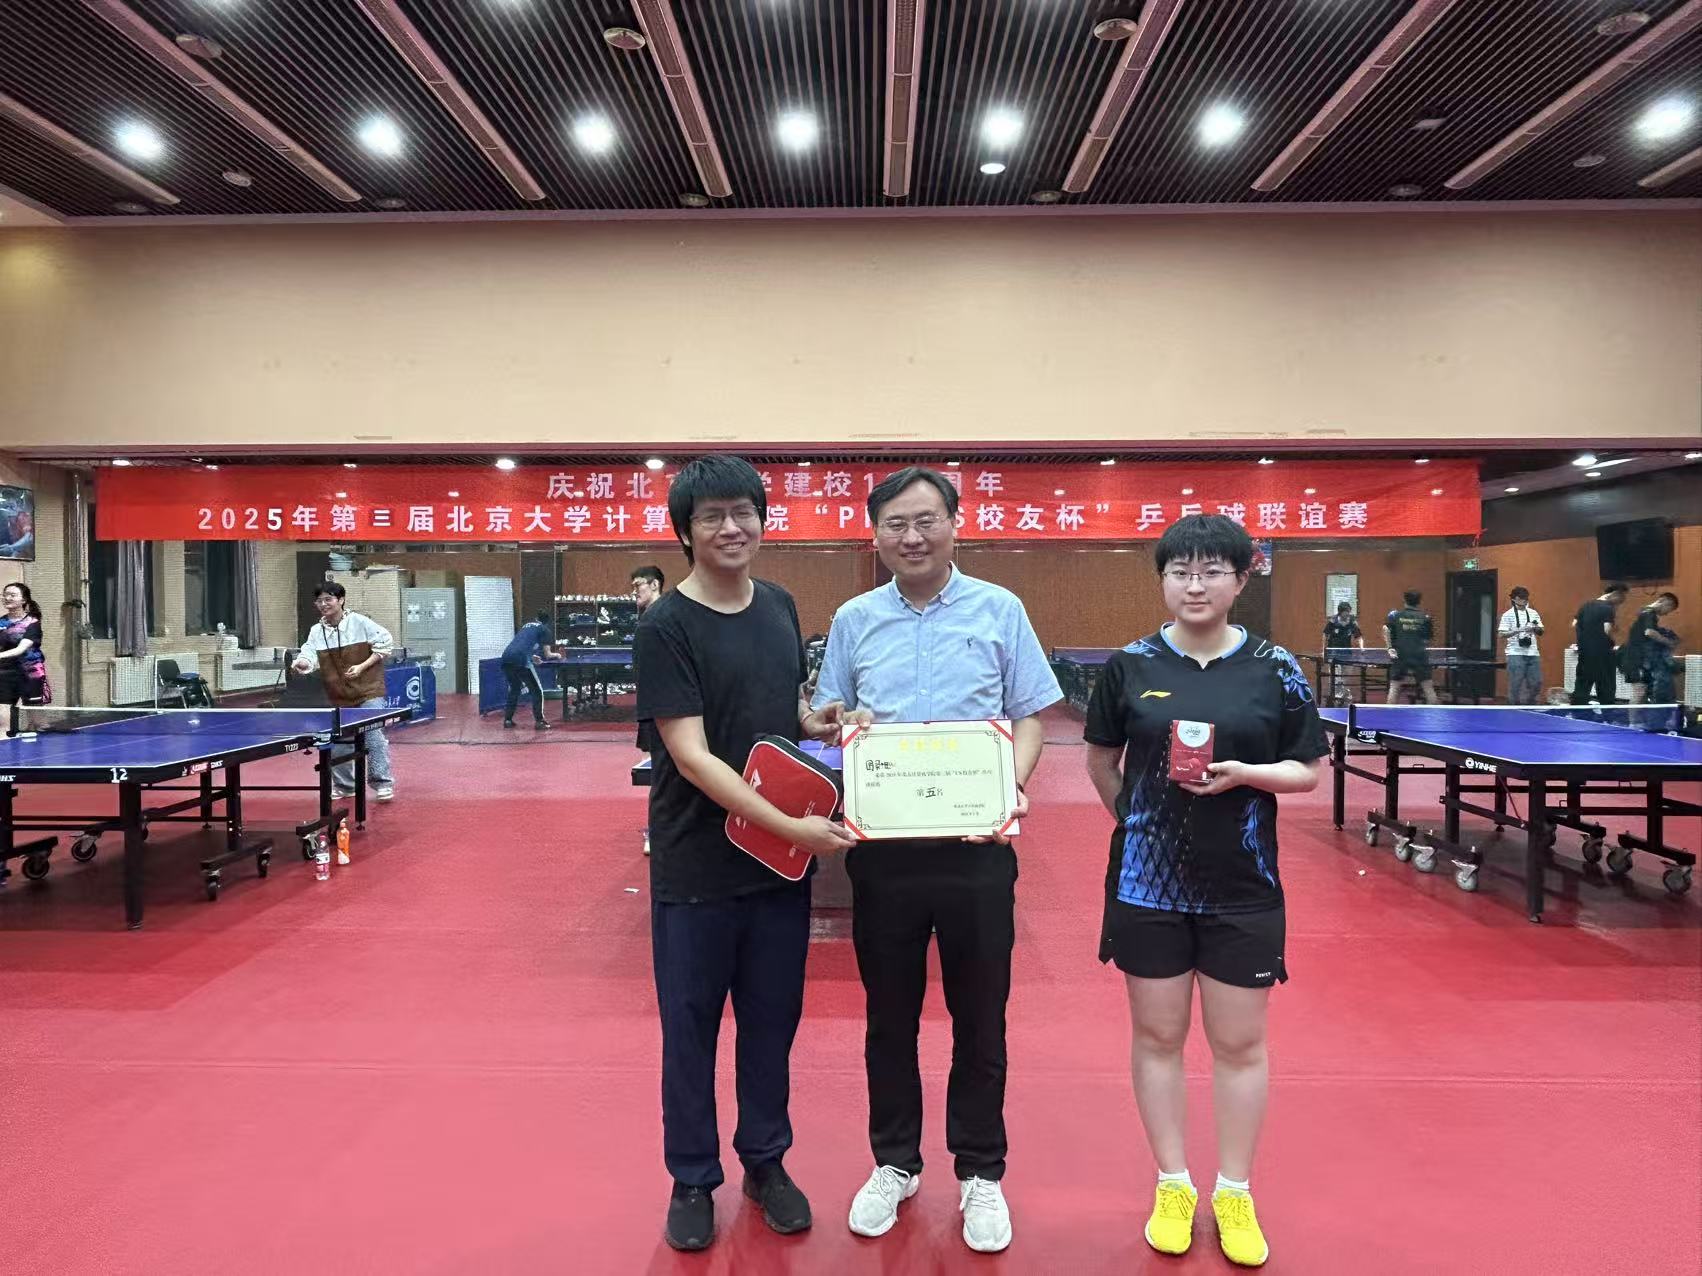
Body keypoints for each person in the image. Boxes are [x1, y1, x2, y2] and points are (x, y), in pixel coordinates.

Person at [803, 466, 1063, 1255]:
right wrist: (830, 718)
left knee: (981, 1017)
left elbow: (1029, 716)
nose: (911, 537)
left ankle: (981, 1171)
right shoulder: (855, 618)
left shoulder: (999, 609)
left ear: (955, 523)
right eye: (895, 524)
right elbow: (824, 715)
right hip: (884, 853)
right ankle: (895, 1162)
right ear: (875, 534)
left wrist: (1010, 789)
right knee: (889, 1018)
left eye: (925, 521)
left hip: (977, 850)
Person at [1083, 514, 1325, 1268]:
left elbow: (1308, 771)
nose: (1195, 584)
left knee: (1240, 1044)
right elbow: (1101, 760)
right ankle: (1172, 1184)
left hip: (1244, 886)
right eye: (1180, 571)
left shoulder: (1276, 668)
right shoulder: (1129, 665)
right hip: (1147, 886)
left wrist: (1248, 775)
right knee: (1157, 1038)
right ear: (1163, 579)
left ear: (1241, 578)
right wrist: (1138, 822)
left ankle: (1235, 1191)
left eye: (1212, 570)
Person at [635, 455, 855, 1252]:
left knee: (771, 1023)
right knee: (690, 1030)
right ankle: (693, 1177)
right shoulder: (666, 625)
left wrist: (815, 721)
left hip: (774, 872)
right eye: (712, 516)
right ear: (685, 532)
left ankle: (766, 1161)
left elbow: (776, 712)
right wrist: (791, 827)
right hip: (696, 866)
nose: (732, 528)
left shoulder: (780, 606)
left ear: (763, 520)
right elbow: (693, 755)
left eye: (744, 512)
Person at [290, 581, 396, 802]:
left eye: (328, 599)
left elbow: (385, 642)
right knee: (338, 741)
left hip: (368, 690)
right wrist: (302, 662)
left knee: (372, 734)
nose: (323, 604)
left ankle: (382, 783)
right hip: (339, 695)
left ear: (341, 600)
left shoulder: (359, 622)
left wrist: (362, 667)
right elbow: (309, 653)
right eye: (319, 601)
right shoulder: (317, 631)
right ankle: (346, 786)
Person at [631, 565, 666, 854]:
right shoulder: (646, 617)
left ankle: (658, 832)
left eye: (638, 585)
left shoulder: (663, 616)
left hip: (665, 709)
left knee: (663, 773)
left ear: (655, 585)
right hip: (651, 707)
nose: (634, 591)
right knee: (659, 772)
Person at [500, 610, 560, 730]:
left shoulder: (526, 626)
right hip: (520, 660)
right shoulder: (544, 629)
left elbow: (521, 645)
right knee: (537, 691)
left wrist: (532, 657)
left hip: (506, 657)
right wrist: (558, 655)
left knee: (514, 689)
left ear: (536, 619)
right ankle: (540, 721)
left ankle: (507, 720)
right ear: (547, 622)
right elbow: (548, 655)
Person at [1570, 583, 1627, 705]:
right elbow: (1607, 630)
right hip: (1602, 652)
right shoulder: (1608, 608)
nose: (1619, 604)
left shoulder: (1585, 605)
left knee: (1582, 683)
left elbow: (1574, 624)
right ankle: (1607, 711)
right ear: (1615, 594)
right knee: (1606, 684)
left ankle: (1577, 710)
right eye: (1620, 600)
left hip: (1584, 651)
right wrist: (1614, 630)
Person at [1383, 590, 1438, 705]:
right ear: (1419, 602)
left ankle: (1389, 712)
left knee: (1394, 687)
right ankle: (1435, 713)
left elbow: (1386, 629)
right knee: (1428, 687)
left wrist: (1390, 648)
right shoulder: (1425, 618)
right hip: (1419, 654)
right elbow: (1427, 639)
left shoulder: (1396, 616)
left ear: (1404, 600)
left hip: (1400, 653)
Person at [1624, 593, 1681, 704]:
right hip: (1634, 658)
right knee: (1639, 692)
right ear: (1665, 602)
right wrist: (1669, 642)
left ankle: (1638, 716)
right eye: (1669, 609)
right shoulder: (1649, 613)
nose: (1667, 613)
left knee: (1643, 692)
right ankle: (1632, 717)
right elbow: (1650, 632)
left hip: (1639, 658)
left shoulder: (1645, 612)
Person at [0, 581, 50, 705]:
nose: (7, 598)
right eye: (5, 595)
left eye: (12, 595)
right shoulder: (1, 622)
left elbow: (20, 649)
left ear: (24, 600)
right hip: (5, 674)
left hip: (30, 673)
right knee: (3, 714)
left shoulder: (32, 622)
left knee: (34, 715)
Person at [1497, 587, 1545, 705]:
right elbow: (1501, 634)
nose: (1524, 600)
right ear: (1514, 599)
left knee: (1537, 682)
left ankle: (1530, 705)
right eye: (1521, 598)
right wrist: (1518, 630)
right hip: (1515, 653)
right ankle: (1513, 708)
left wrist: (1534, 627)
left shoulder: (1533, 613)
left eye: (1526, 598)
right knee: (1516, 684)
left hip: (1533, 653)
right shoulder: (1508, 615)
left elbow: (1541, 631)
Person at [1320, 601, 1363, 704]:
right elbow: (1325, 635)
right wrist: (1323, 650)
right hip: (1333, 654)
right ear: (1340, 612)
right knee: (1336, 677)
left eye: (1348, 611)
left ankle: (1343, 694)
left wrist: (1362, 648)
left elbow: (1359, 637)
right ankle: (1336, 698)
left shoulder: (1352, 622)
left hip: (1347, 654)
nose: (1348, 613)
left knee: (1346, 677)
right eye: (1346, 612)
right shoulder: (1332, 621)